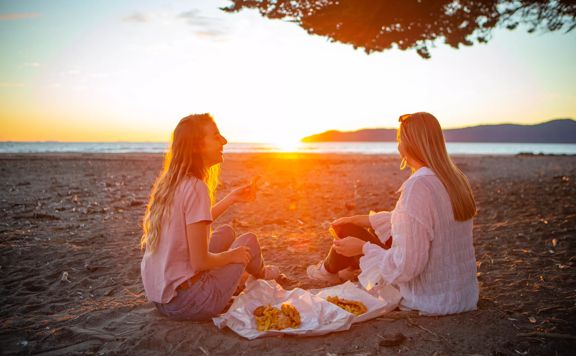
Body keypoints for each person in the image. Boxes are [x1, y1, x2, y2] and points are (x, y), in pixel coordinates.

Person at [307, 112, 479, 315]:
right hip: (463, 294)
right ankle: (337, 271)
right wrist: (364, 220)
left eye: (399, 140)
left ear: (410, 143)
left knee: (346, 232)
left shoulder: (419, 185)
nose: (398, 147)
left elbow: (406, 268)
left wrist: (363, 248)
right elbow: (420, 222)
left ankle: (329, 271)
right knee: (349, 225)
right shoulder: (455, 178)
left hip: (430, 297)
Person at [140, 113, 279, 321]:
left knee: (226, 233)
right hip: (191, 302)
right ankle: (262, 274)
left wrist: (231, 199)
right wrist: (234, 256)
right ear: (197, 146)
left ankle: (247, 275)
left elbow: (190, 224)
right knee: (247, 242)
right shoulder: (197, 187)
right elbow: (200, 262)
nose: (224, 141)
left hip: (163, 300)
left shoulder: (171, 183)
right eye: (216, 136)